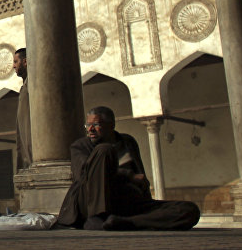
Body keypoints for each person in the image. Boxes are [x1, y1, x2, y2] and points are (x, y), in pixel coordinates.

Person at [57, 106, 200, 231]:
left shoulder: (128, 142)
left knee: (189, 210)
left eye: (96, 124)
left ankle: (125, 223)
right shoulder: (80, 146)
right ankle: (99, 218)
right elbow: (83, 175)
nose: (90, 129)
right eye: (87, 125)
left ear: (111, 125)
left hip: (127, 203)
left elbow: (140, 174)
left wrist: (142, 190)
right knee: (104, 149)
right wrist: (128, 176)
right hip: (91, 203)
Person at [14, 47, 32, 170]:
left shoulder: (34, 83)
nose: (13, 66)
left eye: (16, 62)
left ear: (25, 62)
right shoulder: (25, 86)